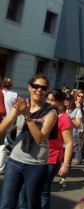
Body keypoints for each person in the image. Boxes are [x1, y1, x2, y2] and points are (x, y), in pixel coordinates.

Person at [0, 74, 58, 209]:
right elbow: (3, 128)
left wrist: (27, 115)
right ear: (29, 87)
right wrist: (15, 113)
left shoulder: (51, 112)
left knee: (31, 204)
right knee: (6, 203)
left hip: (36, 165)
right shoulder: (22, 105)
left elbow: (40, 138)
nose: (39, 90)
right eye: (36, 86)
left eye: (43, 88)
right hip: (14, 161)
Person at [65, 93, 83, 165]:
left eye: (68, 100)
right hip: (61, 138)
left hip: (71, 138)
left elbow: (78, 125)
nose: (66, 101)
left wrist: (70, 118)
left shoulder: (77, 110)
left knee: (67, 161)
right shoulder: (61, 109)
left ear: (72, 101)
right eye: (65, 99)